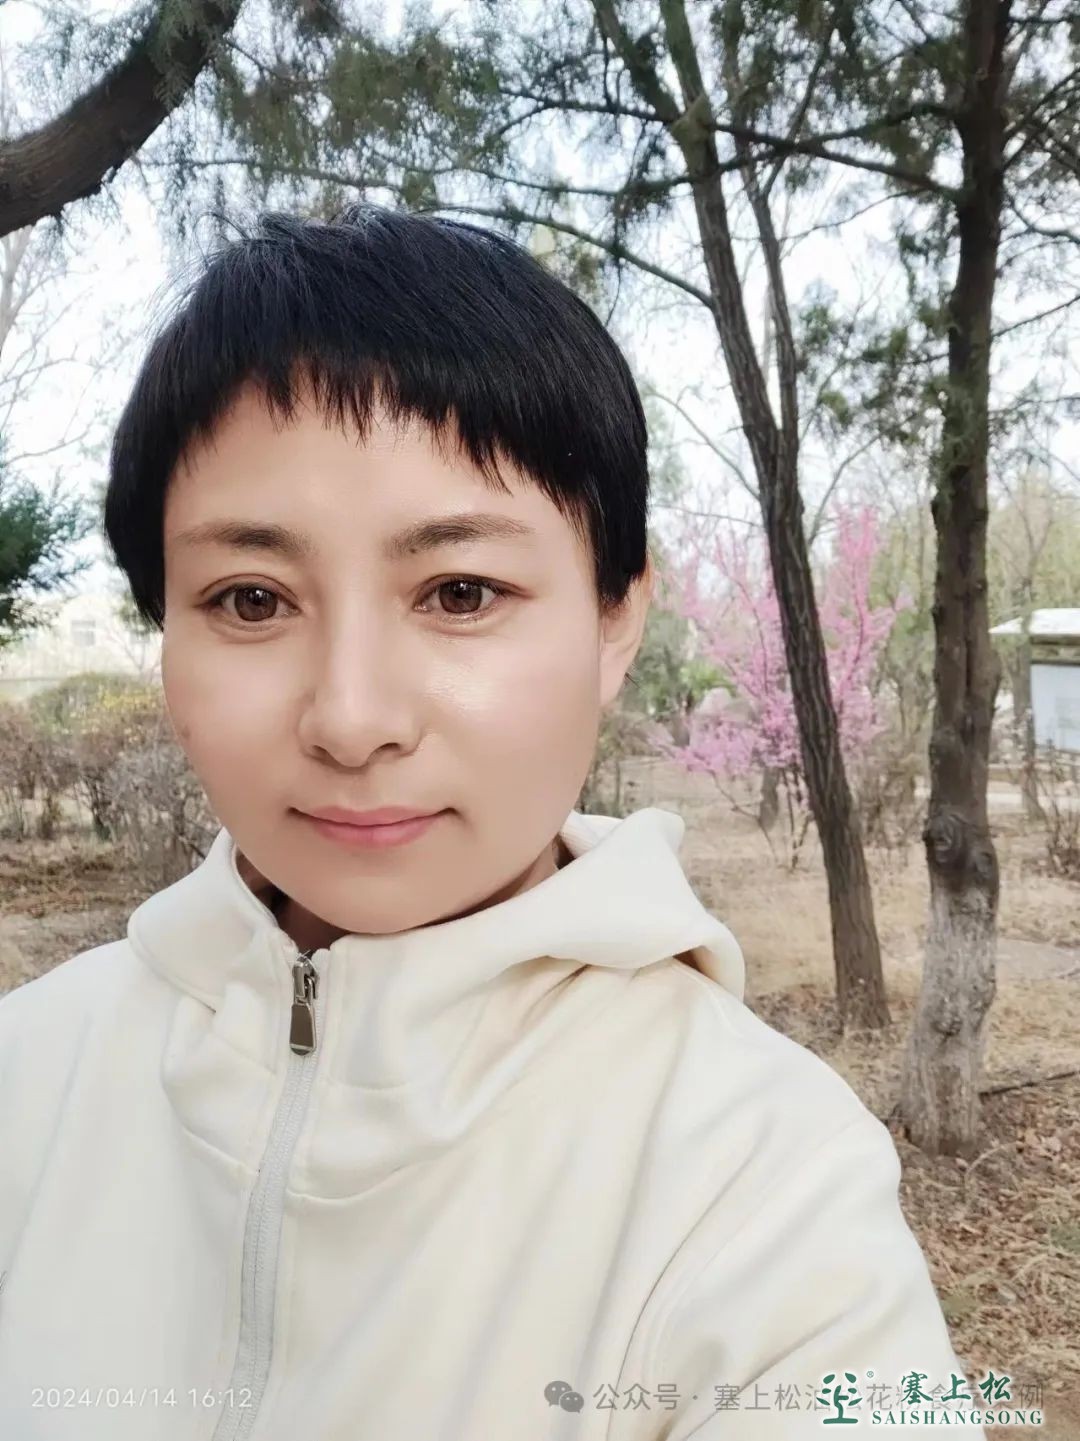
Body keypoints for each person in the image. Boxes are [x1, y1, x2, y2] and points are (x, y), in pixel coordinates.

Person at [0, 204, 985, 1440]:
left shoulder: (762, 1183)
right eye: (251, 599)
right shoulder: (32, 1075)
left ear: (617, 619)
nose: (352, 719)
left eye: (460, 591)